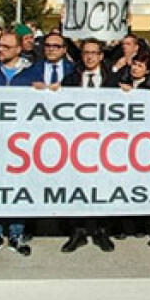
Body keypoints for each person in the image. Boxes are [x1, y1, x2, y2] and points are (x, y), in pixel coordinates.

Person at [0, 30, 43, 257]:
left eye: (5, 46)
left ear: (18, 50)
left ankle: (16, 231)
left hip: (22, 142)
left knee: (18, 185)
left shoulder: (33, 72)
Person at [58, 37, 119, 253]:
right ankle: (78, 231)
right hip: (77, 142)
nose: (90, 57)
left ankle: (102, 230)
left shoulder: (114, 80)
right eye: (85, 53)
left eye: (94, 52)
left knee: (103, 185)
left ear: (101, 56)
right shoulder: (70, 79)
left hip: (105, 142)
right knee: (78, 186)